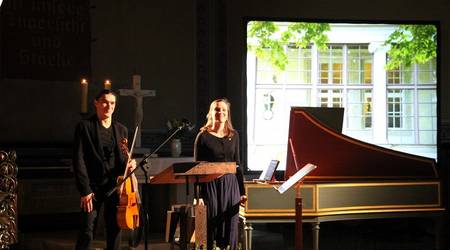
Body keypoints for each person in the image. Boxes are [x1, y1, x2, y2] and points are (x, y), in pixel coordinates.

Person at [72, 89, 136, 250]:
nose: (109, 106)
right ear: (96, 103)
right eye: (105, 102)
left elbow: (122, 161)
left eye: (112, 103)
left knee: (114, 229)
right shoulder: (84, 127)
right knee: (87, 230)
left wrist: (129, 164)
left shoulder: (121, 129)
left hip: (114, 188)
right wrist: (84, 190)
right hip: (92, 189)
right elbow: (78, 160)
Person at [194, 98, 247, 250]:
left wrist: (242, 191)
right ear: (211, 113)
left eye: (223, 109)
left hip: (231, 186)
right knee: (210, 226)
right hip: (210, 186)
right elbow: (197, 169)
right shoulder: (202, 136)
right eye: (217, 109)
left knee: (230, 225)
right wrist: (199, 196)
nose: (220, 112)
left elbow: (238, 165)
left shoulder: (234, 135)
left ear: (227, 113)